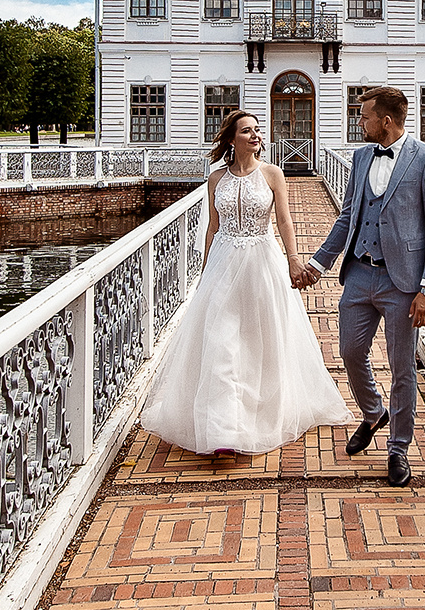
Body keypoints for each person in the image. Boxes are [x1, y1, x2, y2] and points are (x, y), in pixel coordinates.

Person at [138, 109, 348, 456]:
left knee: (259, 337)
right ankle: (224, 429)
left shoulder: (272, 174)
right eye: (248, 131)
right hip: (223, 263)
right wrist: (205, 270)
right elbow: (212, 226)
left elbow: (284, 221)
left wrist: (294, 259)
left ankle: (261, 411)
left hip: (261, 262)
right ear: (232, 140)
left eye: (258, 131)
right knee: (221, 340)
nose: (256, 136)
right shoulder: (216, 179)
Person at [296, 86, 425, 488]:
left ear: (385, 120)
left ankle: (398, 449)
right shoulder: (361, 156)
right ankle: (372, 412)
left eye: (363, 116)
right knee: (349, 351)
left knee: (402, 369)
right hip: (360, 273)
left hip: (403, 282)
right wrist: (318, 264)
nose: (358, 122)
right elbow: (348, 217)